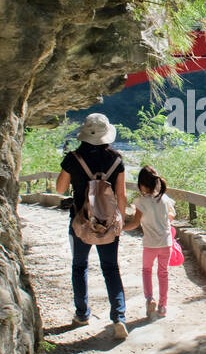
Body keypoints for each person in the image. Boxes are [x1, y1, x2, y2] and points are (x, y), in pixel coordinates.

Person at [55, 114, 128, 336]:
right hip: (108, 223)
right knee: (111, 268)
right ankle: (119, 317)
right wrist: (121, 222)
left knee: (79, 267)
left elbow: (59, 189)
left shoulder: (73, 158)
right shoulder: (116, 159)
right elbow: (122, 196)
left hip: (80, 221)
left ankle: (82, 314)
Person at [123, 165, 175, 320]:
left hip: (150, 245)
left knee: (147, 271)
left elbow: (135, 223)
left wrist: (121, 228)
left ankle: (149, 299)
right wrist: (164, 222)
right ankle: (163, 306)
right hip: (166, 243)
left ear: (141, 185)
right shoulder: (164, 199)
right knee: (163, 273)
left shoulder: (140, 202)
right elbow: (172, 215)